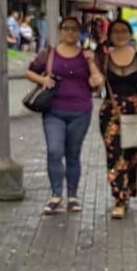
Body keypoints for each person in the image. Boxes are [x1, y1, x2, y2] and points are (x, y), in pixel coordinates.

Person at [25, 13, 104, 214]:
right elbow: (30, 71)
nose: (70, 32)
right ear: (60, 31)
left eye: (74, 29)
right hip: (54, 111)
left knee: (73, 153)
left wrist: (92, 62)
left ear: (80, 33)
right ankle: (56, 195)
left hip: (81, 111)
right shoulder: (49, 53)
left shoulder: (86, 56)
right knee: (54, 150)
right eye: (66, 28)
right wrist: (42, 80)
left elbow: (98, 83)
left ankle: (73, 196)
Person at [99, 18, 137, 219]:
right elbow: (96, 82)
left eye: (124, 31)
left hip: (133, 110)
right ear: (110, 35)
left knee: (131, 155)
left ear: (130, 34)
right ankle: (119, 198)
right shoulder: (104, 58)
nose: (120, 35)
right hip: (110, 111)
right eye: (116, 32)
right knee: (114, 155)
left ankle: (128, 191)